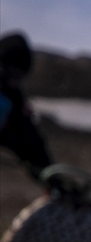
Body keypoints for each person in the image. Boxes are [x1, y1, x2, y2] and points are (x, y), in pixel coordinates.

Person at [0, 31, 53, 182]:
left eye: (17, 76)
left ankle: (54, 185)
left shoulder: (12, 97)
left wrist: (49, 176)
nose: (12, 81)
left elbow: (30, 138)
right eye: (11, 74)